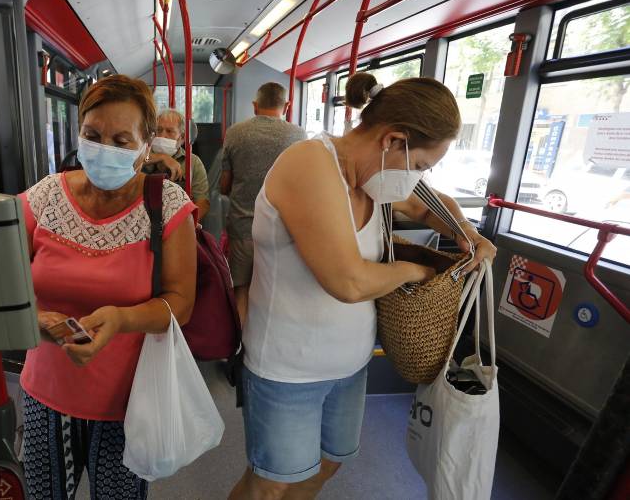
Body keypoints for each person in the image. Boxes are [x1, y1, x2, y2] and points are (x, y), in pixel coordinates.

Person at [228, 73, 497, 500]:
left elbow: (432, 204)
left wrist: (467, 231)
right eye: (420, 166)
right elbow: (349, 281)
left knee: (329, 462)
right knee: (271, 483)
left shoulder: (375, 179)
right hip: (288, 367)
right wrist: (417, 272)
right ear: (392, 141)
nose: (417, 178)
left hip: (349, 364)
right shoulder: (310, 164)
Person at [19, 75, 197, 500]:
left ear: (145, 143)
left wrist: (123, 319)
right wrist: (36, 320)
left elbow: (181, 303)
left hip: (128, 399)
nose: (104, 150)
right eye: (92, 136)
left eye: (121, 140)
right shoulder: (45, 198)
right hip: (46, 390)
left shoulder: (167, 205)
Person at [218, 83, 305, 324]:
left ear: (255, 106)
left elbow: (224, 186)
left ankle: (238, 349)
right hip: (283, 232)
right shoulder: (299, 136)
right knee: (275, 292)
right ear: (286, 106)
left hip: (243, 228)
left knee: (242, 290)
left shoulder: (235, 133)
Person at [144, 108, 210, 219]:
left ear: (182, 138)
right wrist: (161, 157)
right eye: (159, 130)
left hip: (179, 220)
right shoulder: (142, 154)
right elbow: (130, 163)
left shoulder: (193, 162)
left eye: (169, 131)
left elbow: (203, 202)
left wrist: (188, 224)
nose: (162, 136)